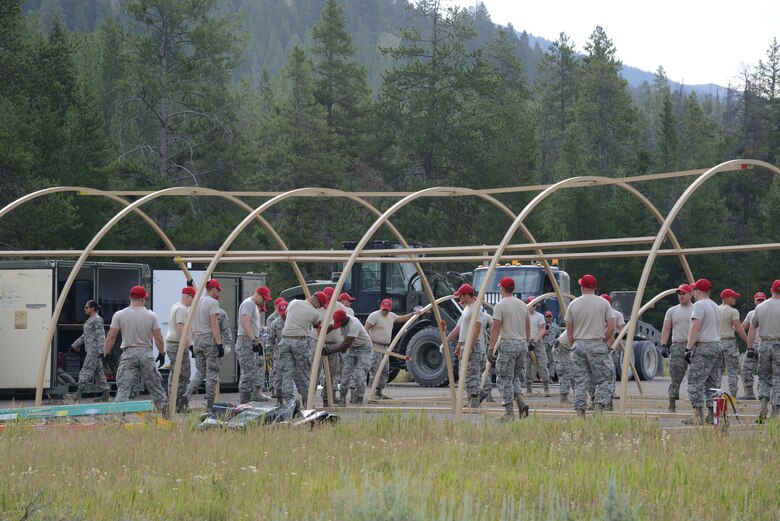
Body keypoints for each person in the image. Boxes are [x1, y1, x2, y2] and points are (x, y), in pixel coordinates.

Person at [103, 286, 168, 414]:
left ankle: (118, 418)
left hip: (128, 354)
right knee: (156, 387)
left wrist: (105, 354)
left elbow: (111, 337)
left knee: (124, 389)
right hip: (146, 353)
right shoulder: (151, 315)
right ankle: (165, 415)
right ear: (144, 299)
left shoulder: (119, 315)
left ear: (130, 297)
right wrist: (161, 353)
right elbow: (158, 337)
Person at [564, 274, 615, 416]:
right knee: (605, 379)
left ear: (582, 287)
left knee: (580, 381)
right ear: (595, 287)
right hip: (597, 343)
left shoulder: (573, 304)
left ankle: (580, 412)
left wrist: (574, 346)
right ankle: (598, 408)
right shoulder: (604, 303)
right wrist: (603, 340)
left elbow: (569, 331)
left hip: (578, 345)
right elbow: (611, 327)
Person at [486, 277, 530, 421]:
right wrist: (526, 343)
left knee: (504, 378)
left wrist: (491, 348)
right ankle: (520, 402)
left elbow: (495, 329)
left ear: (502, 288)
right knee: (514, 377)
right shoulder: (523, 305)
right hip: (522, 344)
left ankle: (509, 413)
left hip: (508, 344)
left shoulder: (500, 306)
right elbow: (527, 326)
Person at [278, 291, 327, 407]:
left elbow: (286, 314)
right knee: (304, 373)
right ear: (316, 301)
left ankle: (289, 402)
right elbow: (317, 326)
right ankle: (307, 402)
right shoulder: (315, 314)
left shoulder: (293, 303)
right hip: (299, 341)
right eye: (319, 305)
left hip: (284, 340)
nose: (319, 308)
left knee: (287, 373)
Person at [685, 278, 723, 425]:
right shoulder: (714, 305)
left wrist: (688, 348)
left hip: (704, 347)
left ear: (698, 291)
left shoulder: (699, 305)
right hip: (716, 346)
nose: (693, 292)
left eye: (694, 290)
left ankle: (697, 416)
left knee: (694, 383)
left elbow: (695, 327)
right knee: (712, 383)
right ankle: (713, 415)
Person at [183, 279, 224, 412]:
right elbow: (214, 323)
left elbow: (199, 294)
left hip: (197, 340)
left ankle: (186, 394)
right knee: (212, 373)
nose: (218, 293)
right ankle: (211, 405)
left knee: (200, 372)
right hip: (209, 340)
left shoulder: (196, 301)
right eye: (218, 290)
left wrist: (191, 284)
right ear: (213, 289)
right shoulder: (213, 303)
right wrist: (219, 344)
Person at [366, 298, 418, 401]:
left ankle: (379, 392)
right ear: (381, 307)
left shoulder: (391, 316)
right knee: (375, 370)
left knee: (385, 370)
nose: (385, 312)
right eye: (384, 309)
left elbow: (402, 318)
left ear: (390, 309)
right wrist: (369, 343)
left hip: (386, 347)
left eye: (387, 310)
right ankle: (372, 394)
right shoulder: (374, 316)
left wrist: (413, 314)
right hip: (376, 347)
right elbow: (366, 328)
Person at [446, 284, 487, 408]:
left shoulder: (476, 309)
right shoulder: (467, 309)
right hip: (465, 345)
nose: (459, 297)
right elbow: (463, 329)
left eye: (460, 295)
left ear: (466, 295)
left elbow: (477, 329)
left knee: (471, 375)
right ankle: (475, 396)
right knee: (464, 375)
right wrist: (459, 345)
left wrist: (470, 347)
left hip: (472, 346)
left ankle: (474, 402)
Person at [324, 309, 373, 406]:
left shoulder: (354, 324)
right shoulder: (339, 320)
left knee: (359, 375)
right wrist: (321, 333)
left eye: (340, 323)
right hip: (352, 348)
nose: (339, 326)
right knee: (345, 375)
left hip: (364, 348)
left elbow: (345, 345)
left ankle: (359, 397)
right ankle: (342, 400)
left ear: (345, 318)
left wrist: (329, 351)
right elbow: (328, 329)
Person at [748, 280, 780, 421]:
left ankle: (762, 408)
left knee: (764, 378)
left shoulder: (760, 307)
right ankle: (775, 411)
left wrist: (750, 347)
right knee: (778, 379)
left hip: (764, 345)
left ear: (771, 290)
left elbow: (753, 328)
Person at [659, 284, 694, 412]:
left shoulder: (696, 309)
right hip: (678, 346)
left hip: (693, 347)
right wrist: (663, 344)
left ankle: (696, 406)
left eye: (684, 293)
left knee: (694, 378)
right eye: (679, 293)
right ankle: (672, 404)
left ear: (691, 294)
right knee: (675, 378)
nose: (681, 296)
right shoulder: (672, 311)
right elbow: (666, 328)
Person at [236, 286, 272, 404]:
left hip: (250, 340)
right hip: (246, 340)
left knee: (252, 372)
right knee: (248, 373)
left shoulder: (253, 305)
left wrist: (257, 340)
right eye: (264, 299)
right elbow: (245, 322)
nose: (264, 302)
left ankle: (248, 399)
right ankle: (244, 403)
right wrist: (253, 339)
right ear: (257, 294)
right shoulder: (248, 304)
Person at [70, 299, 109, 403]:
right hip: (92, 350)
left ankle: (77, 396)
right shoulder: (91, 320)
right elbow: (85, 335)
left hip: (94, 351)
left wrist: (101, 351)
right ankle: (106, 394)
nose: (85, 309)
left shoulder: (97, 319)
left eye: (87, 307)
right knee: (98, 372)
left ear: (93, 308)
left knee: (86, 370)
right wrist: (75, 345)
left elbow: (101, 335)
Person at [165, 287, 195, 412]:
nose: (193, 302)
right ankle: (178, 404)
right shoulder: (182, 309)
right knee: (183, 374)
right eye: (192, 299)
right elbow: (180, 328)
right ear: (187, 296)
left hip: (172, 343)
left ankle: (172, 402)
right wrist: (191, 345)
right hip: (177, 344)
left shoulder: (175, 306)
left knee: (175, 374)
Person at [718, 288, 749, 398]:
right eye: (733, 297)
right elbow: (739, 329)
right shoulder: (733, 311)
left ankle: (716, 395)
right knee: (732, 371)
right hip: (729, 342)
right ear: (726, 298)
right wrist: (748, 342)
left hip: (717, 343)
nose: (735, 299)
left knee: (717, 371)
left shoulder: (715, 310)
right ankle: (733, 396)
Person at [741, 291, 766, 400]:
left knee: (765, 371)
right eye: (758, 300)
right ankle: (750, 393)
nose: (760, 302)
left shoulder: (768, 312)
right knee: (745, 368)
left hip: (765, 345)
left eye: (762, 300)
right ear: (755, 301)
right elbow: (742, 328)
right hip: (753, 346)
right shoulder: (751, 313)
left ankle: (765, 395)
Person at [525, 298, 551, 397]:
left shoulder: (539, 316)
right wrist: (527, 342)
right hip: (527, 342)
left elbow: (542, 330)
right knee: (527, 366)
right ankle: (528, 388)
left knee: (543, 365)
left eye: (534, 305)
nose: (532, 307)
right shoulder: (524, 316)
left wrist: (535, 342)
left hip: (538, 343)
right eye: (531, 305)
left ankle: (546, 388)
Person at [266, 300, 287, 404]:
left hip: (292, 352)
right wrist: (268, 353)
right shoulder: (274, 322)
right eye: (282, 313)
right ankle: (279, 399)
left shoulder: (294, 320)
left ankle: (291, 399)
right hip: (278, 352)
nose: (284, 316)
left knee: (291, 376)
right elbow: (270, 338)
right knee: (278, 376)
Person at [553, 331, 574, 403]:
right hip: (562, 348)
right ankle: (563, 398)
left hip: (567, 348)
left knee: (573, 372)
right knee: (565, 373)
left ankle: (578, 395)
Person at [541, 311, 561, 383]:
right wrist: (544, 333)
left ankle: (550, 377)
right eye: (547, 316)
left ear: (552, 317)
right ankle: (544, 377)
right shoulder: (541, 326)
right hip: (542, 346)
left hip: (551, 346)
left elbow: (559, 337)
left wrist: (554, 341)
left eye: (550, 316)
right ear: (545, 317)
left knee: (552, 362)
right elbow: (537, 335)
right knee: (543, 362)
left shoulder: (556, 327)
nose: (548, 318)